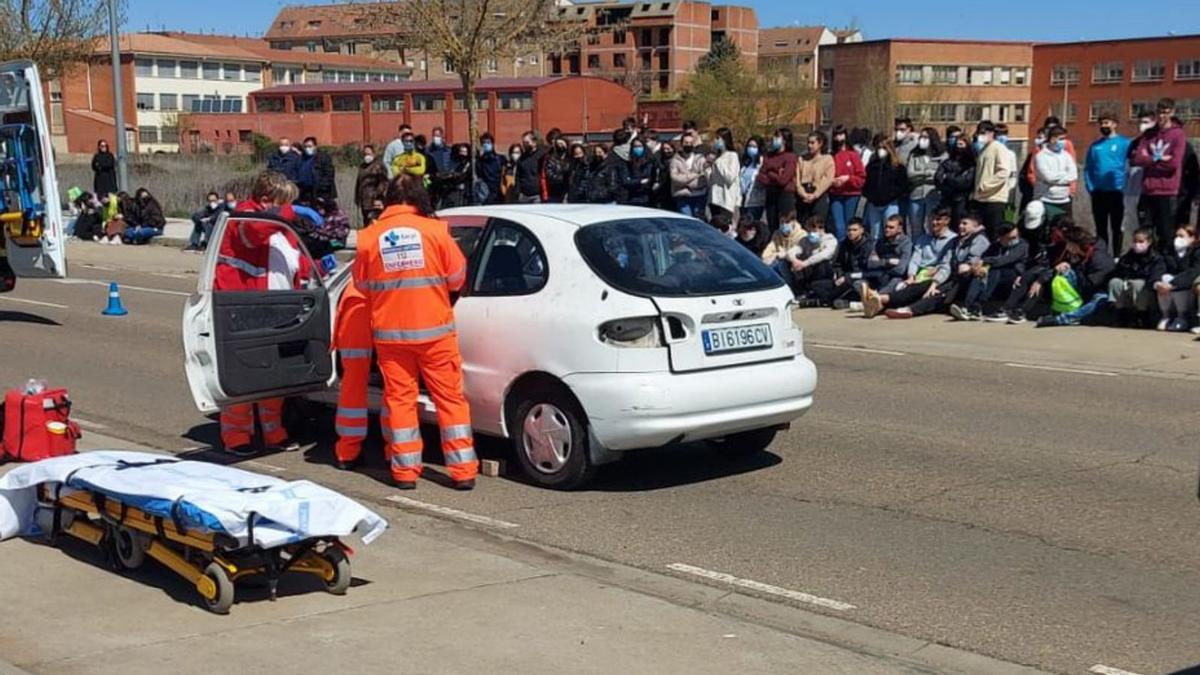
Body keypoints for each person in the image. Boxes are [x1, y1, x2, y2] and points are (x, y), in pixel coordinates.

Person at [352, 174, 477, 490]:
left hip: (391, 334)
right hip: (435, 332)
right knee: (449, 400)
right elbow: (458, 277)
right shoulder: (436, 231)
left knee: (400, 401)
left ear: (388, 200)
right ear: (420, 197)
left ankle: (405, 472)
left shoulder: (370, 237)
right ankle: (463, 471)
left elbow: (362, 286)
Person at [214, 171, 308, 456]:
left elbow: (291, 259)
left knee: (272, 378)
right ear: (268, 200)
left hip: (277, 308)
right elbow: (253, 234)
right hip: (242, 306)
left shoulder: (277, 225)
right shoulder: (243, 217)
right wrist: (286, 212)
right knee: (243, 376)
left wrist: (311, 270)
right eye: (282, 202)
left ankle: (273, 432)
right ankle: (237, 437)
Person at [882, 213, 988, 319]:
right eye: (960, 223)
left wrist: (968, 265)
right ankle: (883, 299)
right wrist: (934, 283)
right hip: (953, 279)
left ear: (976, 226)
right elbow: (946, 265)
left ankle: (910, 310)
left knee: (937, 293)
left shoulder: (980, 240)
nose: (961, 226)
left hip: (968, 282)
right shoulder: (956, 241)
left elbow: (973, 262)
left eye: (965, 224)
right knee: (925, 285)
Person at [861, 208, 957, 319]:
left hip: (937, 276)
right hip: (918, 275)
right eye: (932, 219)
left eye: (938, 220)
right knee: (901, 286)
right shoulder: (923, 238)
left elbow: (946, 265)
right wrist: (911, 276)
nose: (934, 222)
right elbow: (915, 260)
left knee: (918, 288)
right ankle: (878, 305)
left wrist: (935, 280)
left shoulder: (952, 240)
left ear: (947, 220)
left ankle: (879, 299)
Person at [1134, 98, 1188, 252]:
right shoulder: (1149, 134)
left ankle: (1166, 265)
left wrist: (1148, 160)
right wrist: (1157, 158)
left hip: (1167, 191)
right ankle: (1147, 264)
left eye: (1166, 112)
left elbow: (1173, 164)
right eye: (1159, 112)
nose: (1162, 116)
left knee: (1165, 232)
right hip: (1148, 190)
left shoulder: (1178, 135)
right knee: (1145, 231)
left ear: (1172, 113)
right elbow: (1138, 158)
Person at [1034, 226, 1115, 328]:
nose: (1067, 247)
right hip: (1084, 288)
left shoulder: (1100, 259)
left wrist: (1076, 267)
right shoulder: (1079, 254)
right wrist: (1065, 266)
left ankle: (1061, 319)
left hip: (1099, 291)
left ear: (1076, 244)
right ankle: (1062, 309)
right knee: (1063, 273)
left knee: (1098, 301)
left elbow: (1091, 284)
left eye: (1069, 244)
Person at [331, 280, 373, 471]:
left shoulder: (366, 254)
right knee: (397, 387)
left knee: (352, 386)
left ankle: (347, 452)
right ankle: (395, 454)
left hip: (354, 311)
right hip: (390, 314)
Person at [956, 222, 1029, 321]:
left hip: (1013, 275)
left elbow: (1006, 260)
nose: (1014, 240)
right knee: (979, 273)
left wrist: (985, 262)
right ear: (1001, 237)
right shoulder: (995, 247)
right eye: (1010, 238)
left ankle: (978, 303)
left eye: (1016, 236)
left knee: (995, 269)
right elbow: (985, 257)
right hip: (994, 276)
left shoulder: (1022, 245)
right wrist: (979, 267)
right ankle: (971, 307)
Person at [1086, 114, 1131, 254]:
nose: (1103, 125)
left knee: (1117, 226)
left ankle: (1117, 255)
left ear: (1115, 124)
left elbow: (1131, 165)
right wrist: (1091, 187)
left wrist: (1125, 186)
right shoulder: (1095, 146)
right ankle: (1102, 255)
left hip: (1117, 192)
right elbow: (1088, 168)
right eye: (1101, 123)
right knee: (1100, 227)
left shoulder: (1125, 143)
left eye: (1107, 122)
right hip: (1098, 192)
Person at [1106, 228, 1163, 327]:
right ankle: (1121, 313)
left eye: (1141, 241)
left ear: (1149, 242)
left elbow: (1154, 276)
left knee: (1138, 284)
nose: (1137, 244)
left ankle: (1142, 315)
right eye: (1135, 241)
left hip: (1145, 292)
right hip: (1128, 287)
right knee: (1115, 282)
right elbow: (1118, 271)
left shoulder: (1156, 259)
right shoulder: (1127, 257)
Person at [778, 215, 837, 302]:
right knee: (784, 262)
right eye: (809, 230)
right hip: (807, 270)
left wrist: (804, 263)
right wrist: (795, 260)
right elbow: (792, 251)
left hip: (824, 271)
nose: (810, 233)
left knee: (822, 263)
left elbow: (824, 255)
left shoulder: (830, 240)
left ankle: (815, 290)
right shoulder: (805, 240)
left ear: (821, 229)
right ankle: (797, 291)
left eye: (813, 230)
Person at [970, 121, 1012, 239]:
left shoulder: (999, 148)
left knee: (994, 234)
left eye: (984, 133)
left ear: (992, 133)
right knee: (982, 235)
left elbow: (1004, 171)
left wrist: (986, 185)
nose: (981, 135)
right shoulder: (983, 150)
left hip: (995, 198)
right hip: (981, 199)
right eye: (979, 132)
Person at [1154, 224, 1200, 331]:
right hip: (1169, 291)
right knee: (1165, 278)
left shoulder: (1196, 253)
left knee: (1177, 282)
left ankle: (1182, 316)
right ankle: (1165, 315)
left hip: (1187, 289)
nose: (1177, 239)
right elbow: (1159, 267)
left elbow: (1193, 271)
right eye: (1176, 236)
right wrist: (1157, 282)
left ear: (1192, 238)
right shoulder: (1169, 252)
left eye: (1181, 236)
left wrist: (1174, 284)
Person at [862, 135, 908, 240]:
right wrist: (869, 195)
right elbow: (866, 183)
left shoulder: (897, 166)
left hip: (890, 204)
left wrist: (891, 195)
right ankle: (875, 254)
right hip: (874, 204)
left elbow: (902, 185)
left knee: (892, 231)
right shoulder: (872, 165)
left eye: (883, 148)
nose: (881, 151)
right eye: (879, 148)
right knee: (875, 234)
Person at [1033, 125, 1078, 228]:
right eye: (1061, 139)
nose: (1064, 142)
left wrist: (1058, 178)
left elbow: (1073, 175)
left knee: (1066, 231)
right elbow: (1048, 177)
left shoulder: (1066, 155)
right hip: (1046, 199)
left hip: (1064, 200)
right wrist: (1064, 176)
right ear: (1052, 139)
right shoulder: (1041, 156)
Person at [824, 219, 874, 307]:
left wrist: (847, 278)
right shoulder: (844, 244)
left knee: (857, 285)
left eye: (854, 230)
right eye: (849, 230)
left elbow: (867, 270)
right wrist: (838, 274)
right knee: (818, 285)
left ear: (862, 230)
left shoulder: (869, 245)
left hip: (862, 278)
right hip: (844, 277)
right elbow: (837, 264)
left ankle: (834, 301)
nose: (851, 233)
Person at [829, 125, 866, 242]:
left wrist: (848, 178)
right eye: (836, 135)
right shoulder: (831, 155)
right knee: (839, 227)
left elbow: (861, 177)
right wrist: (832, 181)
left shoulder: (853, 155)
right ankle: (840, 253)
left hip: (851, 195)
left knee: (849, 226)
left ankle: (849, 252)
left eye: (841, 134)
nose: (838, 138)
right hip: (836, 195)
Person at [757, 128, 798, 231]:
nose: (774, 139)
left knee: (786, 225)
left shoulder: (790, 157)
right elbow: (760, 175)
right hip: (771, 193)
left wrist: (770, 173)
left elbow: (783, 180)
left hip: (785, 195)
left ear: (785, 140)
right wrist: (775, 174)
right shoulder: (769, 156)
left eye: (777, 137)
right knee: (772, 224)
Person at [906, 128, 945, 235]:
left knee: (932, 225)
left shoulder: (942, 155)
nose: (923, 140)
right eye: (921, 137)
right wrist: (926, 173)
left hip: (933, 194)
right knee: (915, 226)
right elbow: (910, 174)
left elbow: (940, 175)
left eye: (926, 137)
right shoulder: (914, 154)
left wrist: (927, 175)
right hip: (916, 194)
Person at [935, 135, 976, 230]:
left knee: (958, 225)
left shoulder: (971, 164)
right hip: (946, 198)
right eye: (957, 144)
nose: (958, 147)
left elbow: (965, 182)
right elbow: (938, 179)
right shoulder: (947, 162)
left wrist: (948, 177)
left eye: (961, 144)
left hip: (962, 200)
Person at [866, 214, 913, 294]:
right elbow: (870, 264)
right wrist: (888, 262)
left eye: (891, 227)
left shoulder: (906, 243)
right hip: (879, 275)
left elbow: (901, 269)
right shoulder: (880, 242)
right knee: (859, 279)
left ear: (899, 229)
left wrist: (880, 264)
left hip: (895, 278)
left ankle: (877, 297)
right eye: (886, 227)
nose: (887, 229)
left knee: (895, 282)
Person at [796, 131, 833, 225]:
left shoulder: (827, 159)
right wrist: (803, 194)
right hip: (803, 195)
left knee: (817, 224)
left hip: (819, 196)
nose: (809, 145)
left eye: (812, 143)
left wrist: (815, 194)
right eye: (808, 142)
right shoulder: (802, 159)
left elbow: (827, 179)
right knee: (803, 225)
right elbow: (797, 180)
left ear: (820, 144)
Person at [671, 130, 710, 217]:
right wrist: (695, 175)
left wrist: (688, 183)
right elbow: (675, 178)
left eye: (690, 142)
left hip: (699, 196)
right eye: (686, 142)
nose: (688, 145)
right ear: (681, 144)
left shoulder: (700, 159)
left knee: (698, 221)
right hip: (682, 196)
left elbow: (704, 177)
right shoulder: (675, 160)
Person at [708, 127, 741, 222]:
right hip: (714, 199)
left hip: (725, 200)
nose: (715, 141)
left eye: (718, 138)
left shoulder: (732, 156)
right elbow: (711, 180)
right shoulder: (717, 156)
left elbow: (730, 178)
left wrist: (718, 162)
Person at [355, 143, 389, 225]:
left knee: (374, 222)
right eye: (365, 154)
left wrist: (376, 195)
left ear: (374, 154)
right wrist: (357, 198)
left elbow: (383, 182)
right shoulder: (362, 166)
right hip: (364, 201)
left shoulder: (379, 166)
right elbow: (359, 182)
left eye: (369, 154)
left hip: (374, 201)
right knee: (366, 223)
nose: (367, 156)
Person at [297, 136, 336, 205]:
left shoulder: (323, 158)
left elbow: (328, 175)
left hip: (319, 193)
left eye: (309, 146)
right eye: (305, 147)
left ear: (315, 146)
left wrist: (322, 191)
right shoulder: (302, 158)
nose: (307, 148)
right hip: (305, 193)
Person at [436, 143, 473, 209]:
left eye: (464, 152)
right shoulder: (458, 164)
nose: (462, 155)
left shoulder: (469, 165)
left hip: (462, 194)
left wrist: (453, 175)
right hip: (453, 191)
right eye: (461, 152)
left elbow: (463, 176)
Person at [624, 137, 658, 207]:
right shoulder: (629, 163)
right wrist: (639, 181)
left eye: (639, 146)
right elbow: (626, 181)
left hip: (647, 197)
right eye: (635, 146)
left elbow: (650, 179)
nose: (637, 149)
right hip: (633, 197)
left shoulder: (651, 161)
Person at [740, 137, 766, 221]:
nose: (751, 149)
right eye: (749, 146)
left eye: (754, 147)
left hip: (755, 201)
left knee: (751, 224)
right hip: (743, 201)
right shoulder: (746, 163)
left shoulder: (762, 162)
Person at [516, 130, 546, 203]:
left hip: (537, 195)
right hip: (524, 195)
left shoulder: (542, 155)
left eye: (527, 142)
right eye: (523, 143)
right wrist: (518, 191)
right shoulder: (521, 159)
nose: (525, 145)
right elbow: (518, 176)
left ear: (534, 142)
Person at [476, 133, 505, 205]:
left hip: (499, 192)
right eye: (484, 143)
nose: (486, 145)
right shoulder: (479, 161)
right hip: (486, 192)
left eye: (488, 142)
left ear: (492, 144)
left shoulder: (500, 158)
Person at [544, 133, 572, 204]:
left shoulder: (571, 158)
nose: (560, 146)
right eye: (558, 144)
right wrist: (562, 178)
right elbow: (549, 173)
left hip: (569, 191)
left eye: (561, 143)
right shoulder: (551, 158)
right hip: (555, 191)